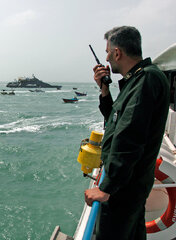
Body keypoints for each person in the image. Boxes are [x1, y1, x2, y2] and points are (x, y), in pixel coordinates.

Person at [84, 26, 170, 240]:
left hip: (123, 190)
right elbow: (115, 120)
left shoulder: (145, 80)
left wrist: (106, 187)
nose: (106, 58)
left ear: (117, 53)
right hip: (129, 185)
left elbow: (129, 138)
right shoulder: (137, 81)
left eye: (107, 52)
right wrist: (104, 90)